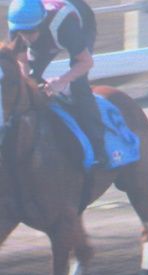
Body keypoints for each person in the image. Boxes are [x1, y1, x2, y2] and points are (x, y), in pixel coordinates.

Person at [7, 0, 108, 169]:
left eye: (31, 32)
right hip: (49, 30)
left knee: (78, 85)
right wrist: (28, 83)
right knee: (31, 80)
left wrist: (61, 81)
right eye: (21, 33)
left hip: (80, 22)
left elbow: (86, 62)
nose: (26, 38)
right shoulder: (18, 28)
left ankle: (99, 148)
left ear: (42, 22)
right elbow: (22, 63)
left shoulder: (66, 26)